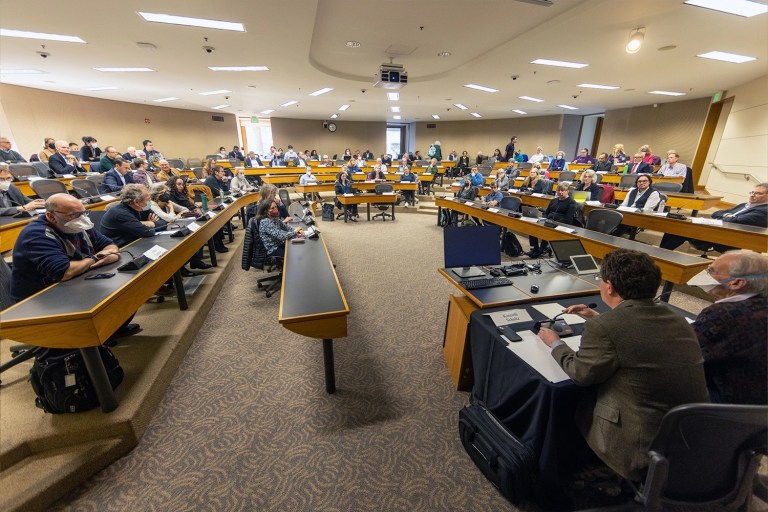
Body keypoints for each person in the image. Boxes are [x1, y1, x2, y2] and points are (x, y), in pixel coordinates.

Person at [538, 249, 709, 481]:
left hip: (642, 447)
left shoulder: (606, 328)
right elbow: (639, 335)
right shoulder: (678, 319)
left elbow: (580, 373)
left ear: (609, 287)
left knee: (573, 401)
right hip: (693, 438)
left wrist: (555, 343)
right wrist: (596, 316)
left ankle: (575, 467)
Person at [9, 193, 142, 337]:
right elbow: (64, 272)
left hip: (75, 281)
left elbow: (110, 246)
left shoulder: (79, 224)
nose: (81, 218)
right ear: (51, 217)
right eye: (73, 214)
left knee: (127, 288)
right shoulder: (36, 234)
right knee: (112, 293)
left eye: (84, 212)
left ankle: (112, 329)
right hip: (42, 295)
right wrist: (95, 258)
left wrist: (110, 254)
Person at [692, 251, 767, 405]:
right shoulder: (761, 304)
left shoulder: (721, 313)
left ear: (736, 283)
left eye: (711, 270)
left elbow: (683, 349)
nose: (706, 273)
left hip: (729, 399)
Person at [659, 183, 768, 251]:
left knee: (682, 229)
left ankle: (662, 255)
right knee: (676, 226)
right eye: (752, 192)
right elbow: (716, 213)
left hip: (726, 239)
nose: (753, 195)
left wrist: (728, 216)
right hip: (715, 230)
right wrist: (727, 216)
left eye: (758, 193)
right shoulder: (743, 205)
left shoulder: (764, 211)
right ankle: (662, 254)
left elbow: (736, 220)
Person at [100, 184, 167, 247]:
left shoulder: (143, 207)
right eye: (148, 199)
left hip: (137, 240)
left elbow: (163, 223)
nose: (150, 202)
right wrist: (146, 225)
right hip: (121, 247)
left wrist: (150, 223)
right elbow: (148, 232)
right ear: (136, 202)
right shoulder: (120, 213)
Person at [526, 182, 577, 258]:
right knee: (533, 226)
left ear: (567, 191)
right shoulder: (554, 201)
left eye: (562, 190)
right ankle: (535, 248)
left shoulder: (571, 202)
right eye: (558, 190)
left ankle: (541, 250)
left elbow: (568, 218)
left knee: (548, 230)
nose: (560, 192)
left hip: (561, 224)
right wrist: (545, 219)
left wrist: (554, 222)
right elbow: (546, 213)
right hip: (548, 221)